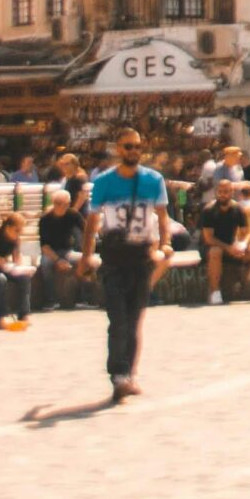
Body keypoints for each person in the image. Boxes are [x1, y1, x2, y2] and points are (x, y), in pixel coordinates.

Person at [79, 127, 173, 403]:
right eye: (128, 146)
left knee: (133, 320)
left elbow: (162, 216)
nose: (133, 151)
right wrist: (86, 256)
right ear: (118, 149)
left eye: (137, 146)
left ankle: (129, 373)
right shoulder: (104, 182)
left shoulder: (153, 180)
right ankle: (118, 375)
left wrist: (165, 244)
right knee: (117, 319)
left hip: (141, 256)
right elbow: (92, 221)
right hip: (114, 256)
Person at [201, 179, 250, 302]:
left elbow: (247, 233)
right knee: (216, 251)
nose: (223, 195)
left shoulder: (238, 209)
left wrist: (243, 245)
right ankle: (215, 292)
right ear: (216, 192)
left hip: (231, 246)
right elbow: (209, 238)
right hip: (211, 247)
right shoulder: (209, 210)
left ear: (232, 192)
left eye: (226, 192)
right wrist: (228, 248)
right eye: (220, 192)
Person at [35, 181, 88, 310]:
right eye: (57, 203)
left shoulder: (73, 215)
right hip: (51, 252)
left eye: (63, 204)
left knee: (86, 261)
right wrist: (58, 260)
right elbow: (44, 246)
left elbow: (87, 231)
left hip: (68, 251)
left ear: (68, 204)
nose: (60, 206)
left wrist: (87, 252)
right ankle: (50, 300)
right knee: (45, 265)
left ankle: (83, 298)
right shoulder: (45, 219)